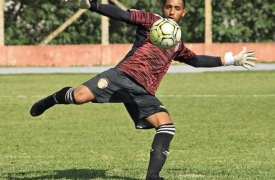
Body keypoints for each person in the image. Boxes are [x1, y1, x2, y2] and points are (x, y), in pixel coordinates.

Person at [30, 0, 257, 179]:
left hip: (143, 92)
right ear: (162, 8)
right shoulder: (151, 20)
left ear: (183, 13)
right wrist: (92, 5)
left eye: (177, 8)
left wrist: (231, 60)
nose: (171, 11)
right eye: (168, 6)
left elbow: (196, 60)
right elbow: (123, 15)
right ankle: (51, 99)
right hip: (120, 77)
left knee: (167, 126)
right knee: (78, 97)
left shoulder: (176, 43)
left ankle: (153, 176)